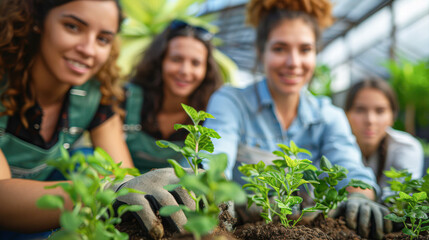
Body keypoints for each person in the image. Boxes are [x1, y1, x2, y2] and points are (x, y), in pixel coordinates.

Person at [0, 1, 193, 239]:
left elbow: (122, 172)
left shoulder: (93, 93)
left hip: (39, 211)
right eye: (72, 27)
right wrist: (100, 191)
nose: (88, 49)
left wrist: (132, 187)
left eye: (103, 39)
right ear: (37, 21)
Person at [203, 0, 391, 239]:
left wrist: (359, 196)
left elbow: (349, 167)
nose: (293, 63)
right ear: (261, 52)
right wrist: (213, 194)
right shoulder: (232, 102)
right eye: (280, 49)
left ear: (315, 53)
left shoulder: (328, 116)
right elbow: (215, 159)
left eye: (305, 50)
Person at [123, 19, 222, 173]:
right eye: (176, 59)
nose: (185, 71)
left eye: (195, 63)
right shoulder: (126, 99)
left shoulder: (212, 113)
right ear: (160, 61)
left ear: (206, 70)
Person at [345, 77, 424, 200]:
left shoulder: (406, 147)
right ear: (346, 114)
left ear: (393, 116)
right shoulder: (335, 148)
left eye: (380, 111)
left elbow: (401, 201)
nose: (370, 120)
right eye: (360, 110)